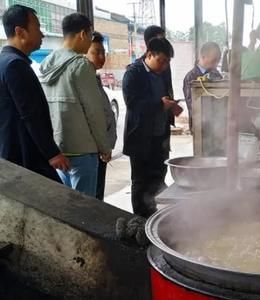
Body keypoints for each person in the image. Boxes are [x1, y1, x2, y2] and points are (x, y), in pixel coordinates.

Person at [39, 13, 111, 197]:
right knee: (84, 207)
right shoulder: (80, 65)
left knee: (67, 205)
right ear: (82, 34)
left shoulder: (48, 63)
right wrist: (104, 146)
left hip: (60, 149)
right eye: (89, 35)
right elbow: (94, 112)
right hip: (83, 150)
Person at [0, 5, 69, 182]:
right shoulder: (15, 65)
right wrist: (52, 153)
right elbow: (30, 114)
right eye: (37, 28)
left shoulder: (4, 61)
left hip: (11, 154)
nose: (42, 34)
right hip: (26, 157)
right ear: (20, 32)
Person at [122, 37, 176, 218]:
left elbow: (164, 98)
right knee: (140, 182)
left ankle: (156, 216)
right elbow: (133, 104)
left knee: (158, 178)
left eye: (167, 62)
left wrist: (171, 106)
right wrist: (160, 105)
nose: (164, 66)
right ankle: (139, 219)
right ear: (149, 54)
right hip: (140, 139)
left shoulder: (162, 74)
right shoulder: (133, 73)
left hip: (159, 138)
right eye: (161, 61)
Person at [86, 31, 117, 200]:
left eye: (103, 52)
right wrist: (103, 147)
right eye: (95, 52)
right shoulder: (84, 81)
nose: (101, 56)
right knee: (92, 199)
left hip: (101, 149)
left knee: (98, 196)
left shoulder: (95, 79)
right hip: (93, 150)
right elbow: (92, 117)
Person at [183, 42, 222, 131]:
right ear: (203, 57)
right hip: (200, 125)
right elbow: (191, 104)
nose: (216, 64)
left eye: (218, 60)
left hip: (217, 124)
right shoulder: (191, 77)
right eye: (214, 60)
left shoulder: (216, 74)